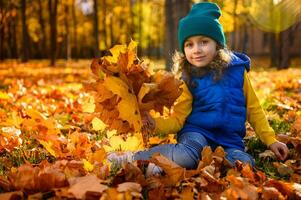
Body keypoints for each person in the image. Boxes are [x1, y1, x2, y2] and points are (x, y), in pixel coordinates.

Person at [108, 2, 289, 174]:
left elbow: (254, 109)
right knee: (187, 155)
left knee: (244, 164)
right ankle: (134, 158)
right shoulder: (187, 78)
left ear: (217, 45)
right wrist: (155, 124)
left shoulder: (237, 72)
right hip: (196, 134)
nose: (196, 50)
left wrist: (270, 140)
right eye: (189, 44)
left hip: (229, 141)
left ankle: (163, 166)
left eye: (204, 42)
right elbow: (178, 119)